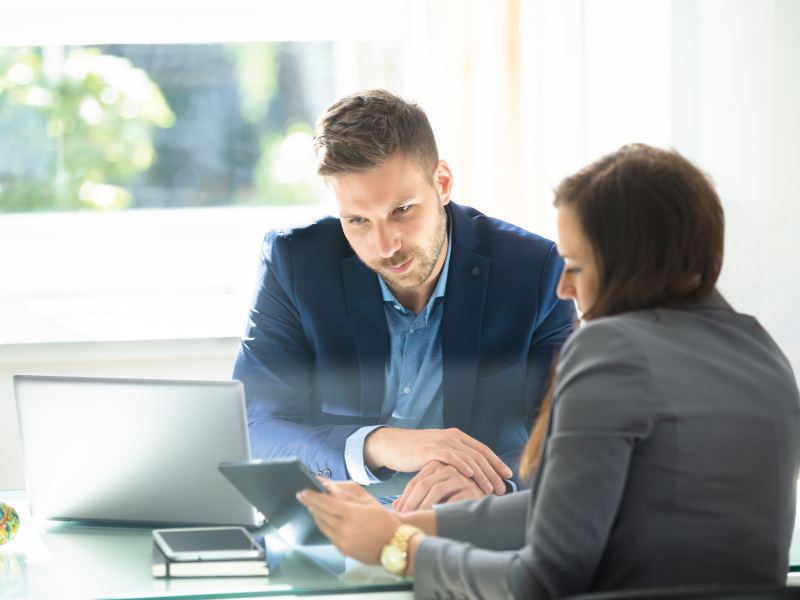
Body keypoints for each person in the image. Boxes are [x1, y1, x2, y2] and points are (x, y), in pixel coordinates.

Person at [298, 144, 800, 598]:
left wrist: (398, 546)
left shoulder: (610, 348)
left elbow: (542, 581)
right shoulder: (763, 354)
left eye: (576, 266)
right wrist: (423, 523)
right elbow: (565, 511)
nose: (563, 289)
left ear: (633, 264)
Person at [233, 89, 576, 504]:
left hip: (469, 524)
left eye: (402, 210)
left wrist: (495, 484)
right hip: (334, 527)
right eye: (357, 220)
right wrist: (377, 444)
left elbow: (567, 433)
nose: (384, 246)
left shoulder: (536, 271)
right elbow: (255, 427)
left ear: (442, 183)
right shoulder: (295, 264)